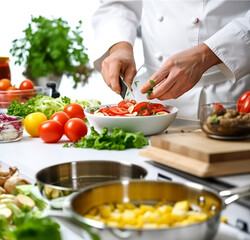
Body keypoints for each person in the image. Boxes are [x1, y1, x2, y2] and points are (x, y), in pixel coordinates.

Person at [92, 0, 250, 118]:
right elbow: (118, 4)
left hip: (228, 95)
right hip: (150, 103)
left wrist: (206, 55)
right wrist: (120, 47)